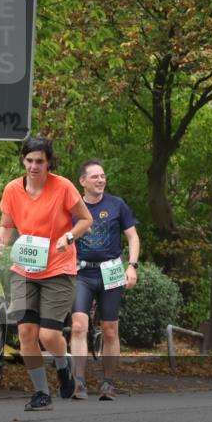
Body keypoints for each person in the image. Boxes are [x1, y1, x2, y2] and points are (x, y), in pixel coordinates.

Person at [0, 137, 92, 411]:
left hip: (58, 268)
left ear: (49, 162)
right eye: (29, 160)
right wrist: (1, 239)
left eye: (40, 161)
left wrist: (70, 236)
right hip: (24, 268)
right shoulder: (13, 189)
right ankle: (41, 392)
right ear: (23, 161)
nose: (34, 166)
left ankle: (63, 364)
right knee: (26, 332)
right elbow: (6, 224)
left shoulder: (63, 187)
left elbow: (86, 220)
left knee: (48, 336)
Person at [70, 160, 140, 401]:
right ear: (83, 182)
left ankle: (108, 383)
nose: (100, 180)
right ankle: (79, 382)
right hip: (82, 273)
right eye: (95, 177)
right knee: (79, 325)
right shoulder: (72, 206)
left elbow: (132, 236)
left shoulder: (116, 204)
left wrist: (131, 266)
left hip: (111, 272)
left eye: (103, 176)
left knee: (110, 330)